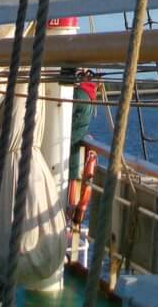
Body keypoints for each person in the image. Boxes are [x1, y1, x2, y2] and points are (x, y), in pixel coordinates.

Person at [66, 73, 97, 225]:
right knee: (73, 181)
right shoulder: (90, 96)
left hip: (68, 146)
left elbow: (65, 114)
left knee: (68, 180)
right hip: (77, 145)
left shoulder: (78, 94)